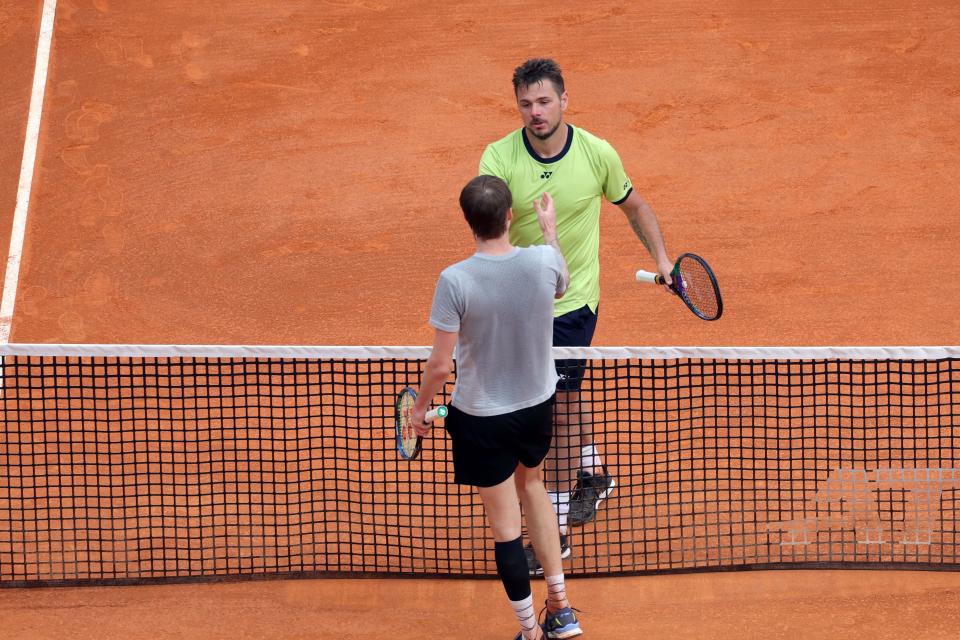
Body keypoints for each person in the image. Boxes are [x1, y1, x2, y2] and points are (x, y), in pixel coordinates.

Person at [479, 58, 674, 573]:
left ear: (565, 100)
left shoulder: (596, 153)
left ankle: (556, 529)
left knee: (557, 408)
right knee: (564, 396)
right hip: (518, 306)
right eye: (525, 104)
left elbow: (634, 206)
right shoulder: (498, 157)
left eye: (544, 102)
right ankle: (594, 471)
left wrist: (662, 259)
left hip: (571, 305)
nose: (535, 112)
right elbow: (489, 232)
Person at [408, 175, 582, 639]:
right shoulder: (544, 261)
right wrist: (549, 230)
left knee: (505, 525)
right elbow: (562, 286)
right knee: (535, 486)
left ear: (469, 222)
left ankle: (529, 632)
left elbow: (441, 367)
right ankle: (561, 609)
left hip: (480, 417)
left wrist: (420, 408)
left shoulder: (455, 280)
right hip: (536, 408)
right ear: (509, 216)